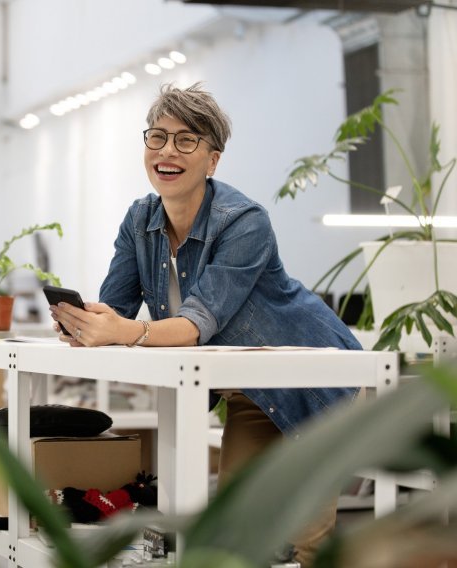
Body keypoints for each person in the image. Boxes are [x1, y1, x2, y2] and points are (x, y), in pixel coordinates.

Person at [49, 83, 361, 567]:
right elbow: (117, 308)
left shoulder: (244, 222)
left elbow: (196, 324)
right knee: (234, 534)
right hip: (250, 392)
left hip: (314, 385)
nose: (167, 151)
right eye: (157, 137)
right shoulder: (139, 220)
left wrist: (124, 332)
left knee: (310, 544)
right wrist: (84, 323)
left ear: (212, 160)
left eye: (186, 140)